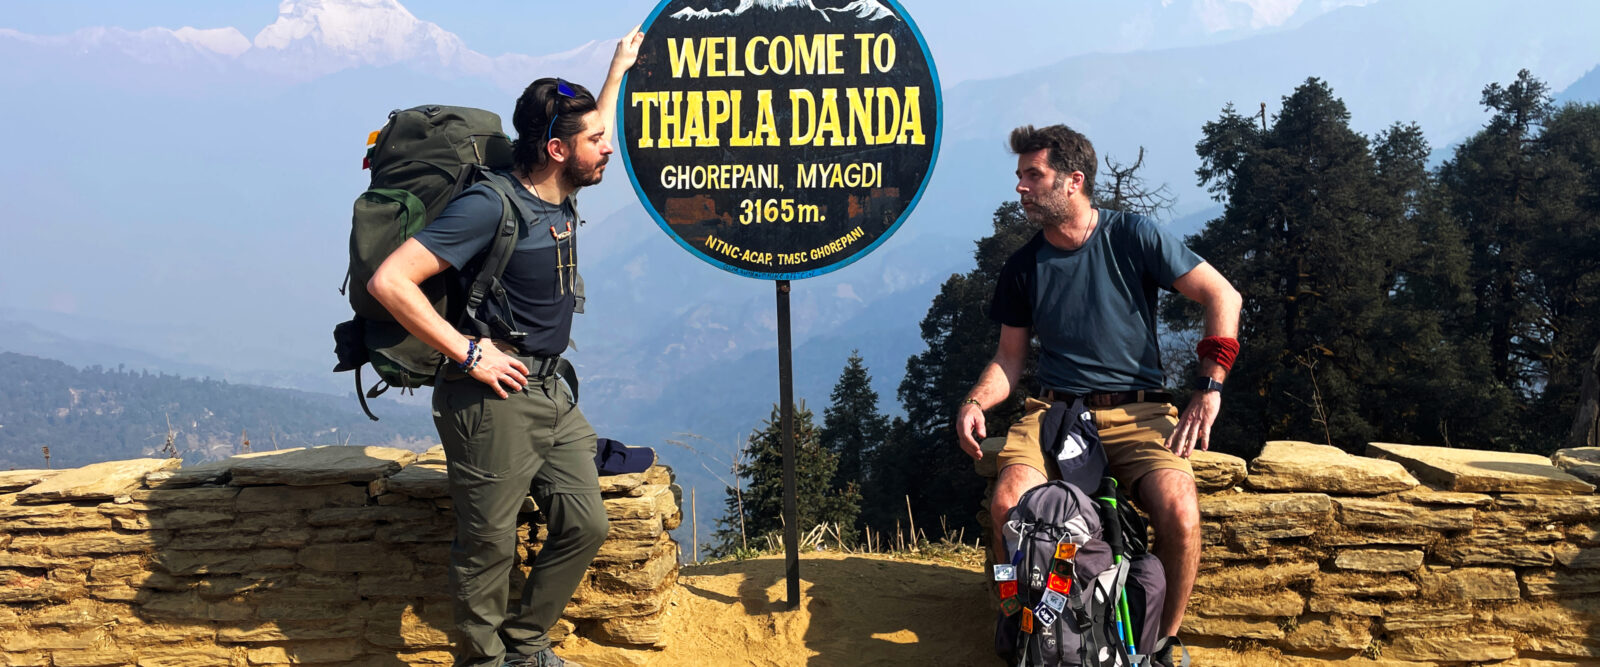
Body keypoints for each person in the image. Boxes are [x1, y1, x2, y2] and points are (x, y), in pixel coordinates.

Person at [367, 28, 644, 667]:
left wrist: (618, 68)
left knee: (586, 524)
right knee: (488, 546)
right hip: (489, 399)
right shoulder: (489, 207)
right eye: (595, 141)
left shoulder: (562, 187)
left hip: (550, 391)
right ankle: (484, 661)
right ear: (556, 150)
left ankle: (524, 645)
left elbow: (595, 123)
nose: (608, 148)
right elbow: (390, 281)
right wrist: (469, 352)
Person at [955, 124, 1242, 638]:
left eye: (1033, 175)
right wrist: (976, 401)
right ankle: (1021, 629)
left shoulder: (1132, 236)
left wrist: (1208, 388)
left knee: (1180, 513)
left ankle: (1161, 642)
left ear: (1074, 181)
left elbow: (1223, 296)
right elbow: (1009, 360)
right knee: (1006, 505)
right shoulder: (1023, 266)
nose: (1020, 186)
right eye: (1020, 175)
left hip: (1141, 412)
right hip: (1055, 412)